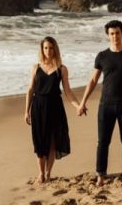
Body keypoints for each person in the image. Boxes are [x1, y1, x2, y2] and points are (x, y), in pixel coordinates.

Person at [77, 20, 122, 185]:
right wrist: (83, 102)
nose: (115, 36)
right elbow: (93, 80)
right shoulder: (102, 56)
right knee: (103, 142)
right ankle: (101, 174)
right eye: (112, 34)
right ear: (108, 35)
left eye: (117, 33)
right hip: (105, 105)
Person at [24, 36, 81, 183]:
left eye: (51, 48)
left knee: (52, 142)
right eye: (46, 48)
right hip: (38, 107)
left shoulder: (62, 69)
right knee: (39, 141)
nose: (48, 51)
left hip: (55, 107)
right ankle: (40, 173)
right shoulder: (35, 68)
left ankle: (48, 173)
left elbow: (68, 91)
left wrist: (78, 106)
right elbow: (30, 90)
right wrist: (26, 111)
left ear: (55, 49)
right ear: (42, 50)